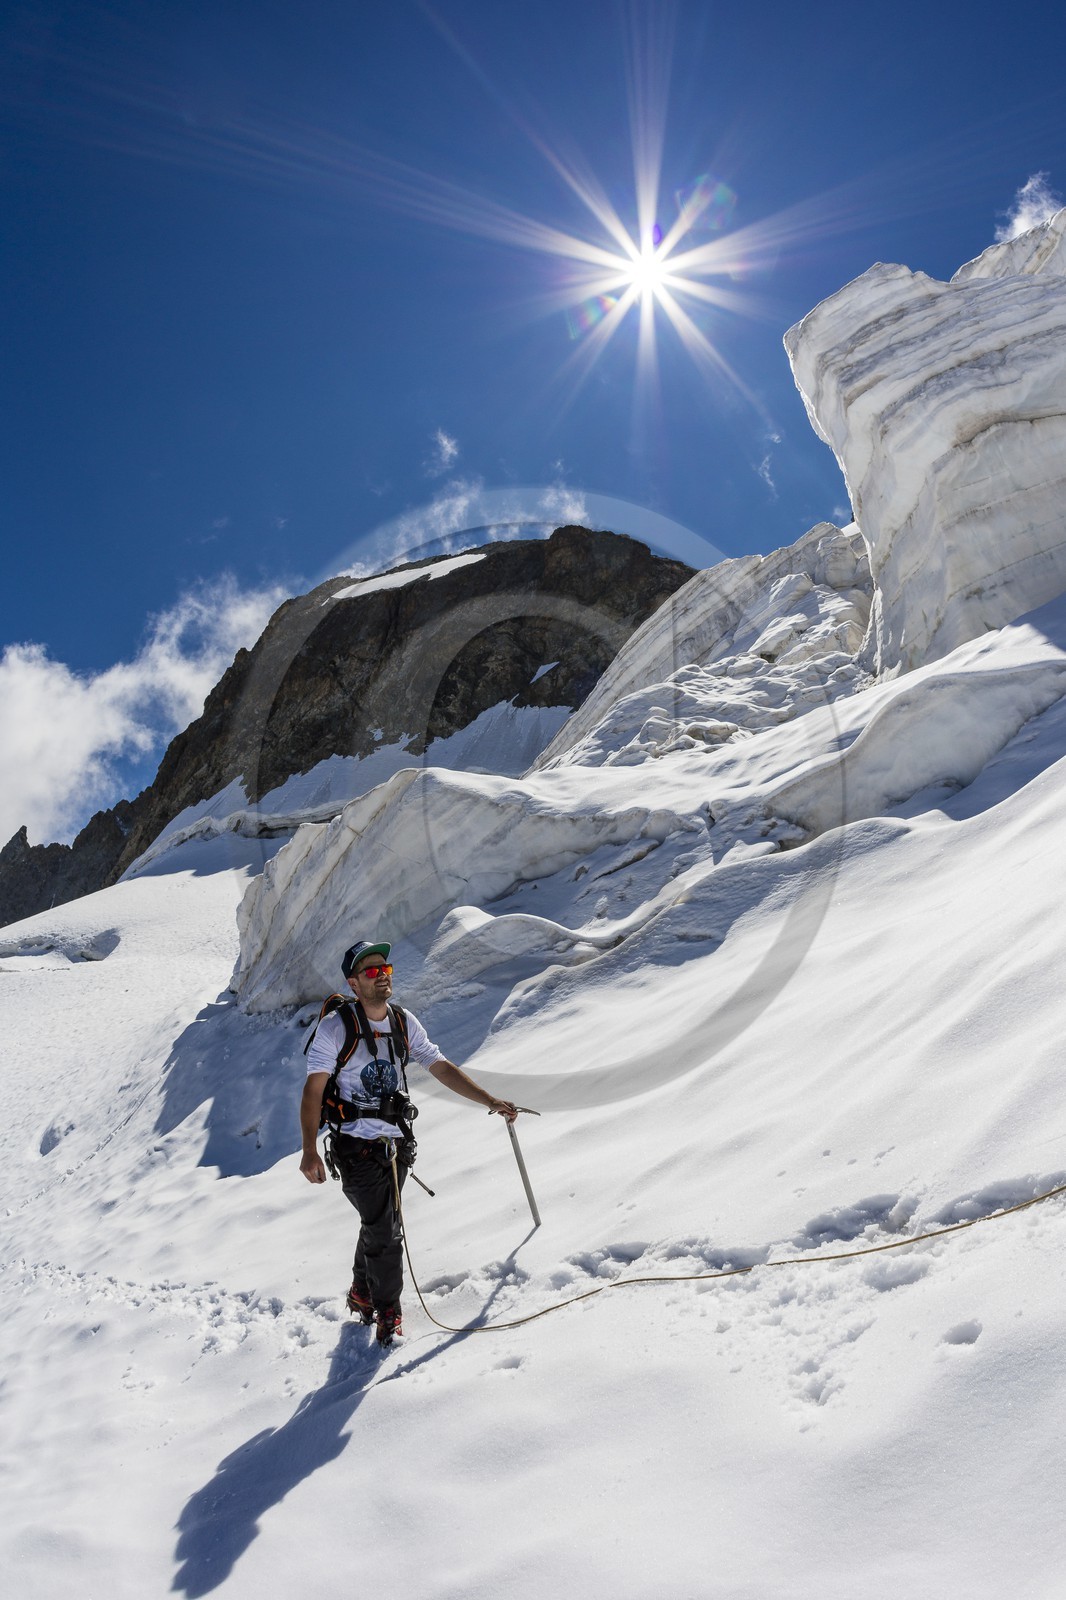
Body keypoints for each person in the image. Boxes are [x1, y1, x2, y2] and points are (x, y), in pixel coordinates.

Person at [300, 938, 518, 1346]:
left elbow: (438, 1065)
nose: (382, 976)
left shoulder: (402, 1021)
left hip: (398, 1145)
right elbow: (314, 1091)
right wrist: (310, 1149)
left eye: (386, 969)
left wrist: (489, 1100)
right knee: (384, 1230)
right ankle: (388, 1314)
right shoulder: (336, 1028)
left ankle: (362, 1291)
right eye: (371, 972)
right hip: (354, 1147)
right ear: (353, 983)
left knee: (381, 1222)